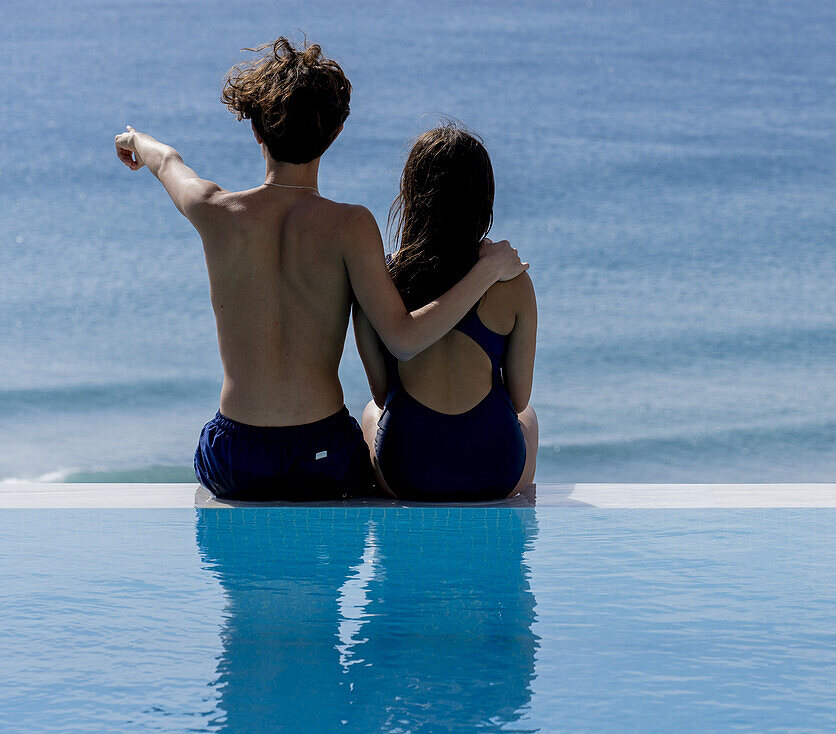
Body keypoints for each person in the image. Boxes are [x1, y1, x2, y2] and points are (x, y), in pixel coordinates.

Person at [113, 38, 527, 501]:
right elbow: (404, 339)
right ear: (336, 132)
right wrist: (485, 271)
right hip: (322, 454)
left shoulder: (214, 209)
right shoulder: (351, 226)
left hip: (238, 456)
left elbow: (167, 160)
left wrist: (133, 140)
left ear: (257, 131)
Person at [358, 124, 538, 501]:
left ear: (411, 197)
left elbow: (380, 393)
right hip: (495, 472)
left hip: (408, 474)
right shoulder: (513, 284)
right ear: (483, 202)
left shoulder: (380, 282)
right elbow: (518, 399)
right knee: (529, 417)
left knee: (368, 414)